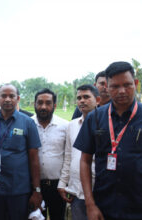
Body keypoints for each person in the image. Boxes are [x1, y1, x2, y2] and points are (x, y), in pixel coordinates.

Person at [75, 61, 142, 220]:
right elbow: (85, 161)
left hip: (141, 205)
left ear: (135, 83)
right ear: (106, 86)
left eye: (127, 85)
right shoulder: (95, 117)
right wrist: (90, 205)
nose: (121, 91)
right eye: (115, 86)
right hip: (105, 205)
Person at [0, 84, 42, 220]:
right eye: (3, 96)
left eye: (11, 96)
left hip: (19, 189)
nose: (7, 99)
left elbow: (34, 159)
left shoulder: (28, 123)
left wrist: (36, 190)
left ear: (17, 98)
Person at [57, 84, 100, 220]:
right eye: (79, 98)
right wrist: (62, 183)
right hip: (76, 191)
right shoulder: (72, 125)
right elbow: (69, 156)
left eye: (86, 97)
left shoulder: (105, 123)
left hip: (99, 190)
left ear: (97, 100)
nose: (82, 101)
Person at [32, 88, 68, 220]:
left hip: (57, 186)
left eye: (48, 103)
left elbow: (68, 157)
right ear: (34, 104)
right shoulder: (28, 124)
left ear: (55, 105)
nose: (43, 106)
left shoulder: (65, 126)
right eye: (40, 103)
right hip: (33, 186)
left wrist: (64, 184)